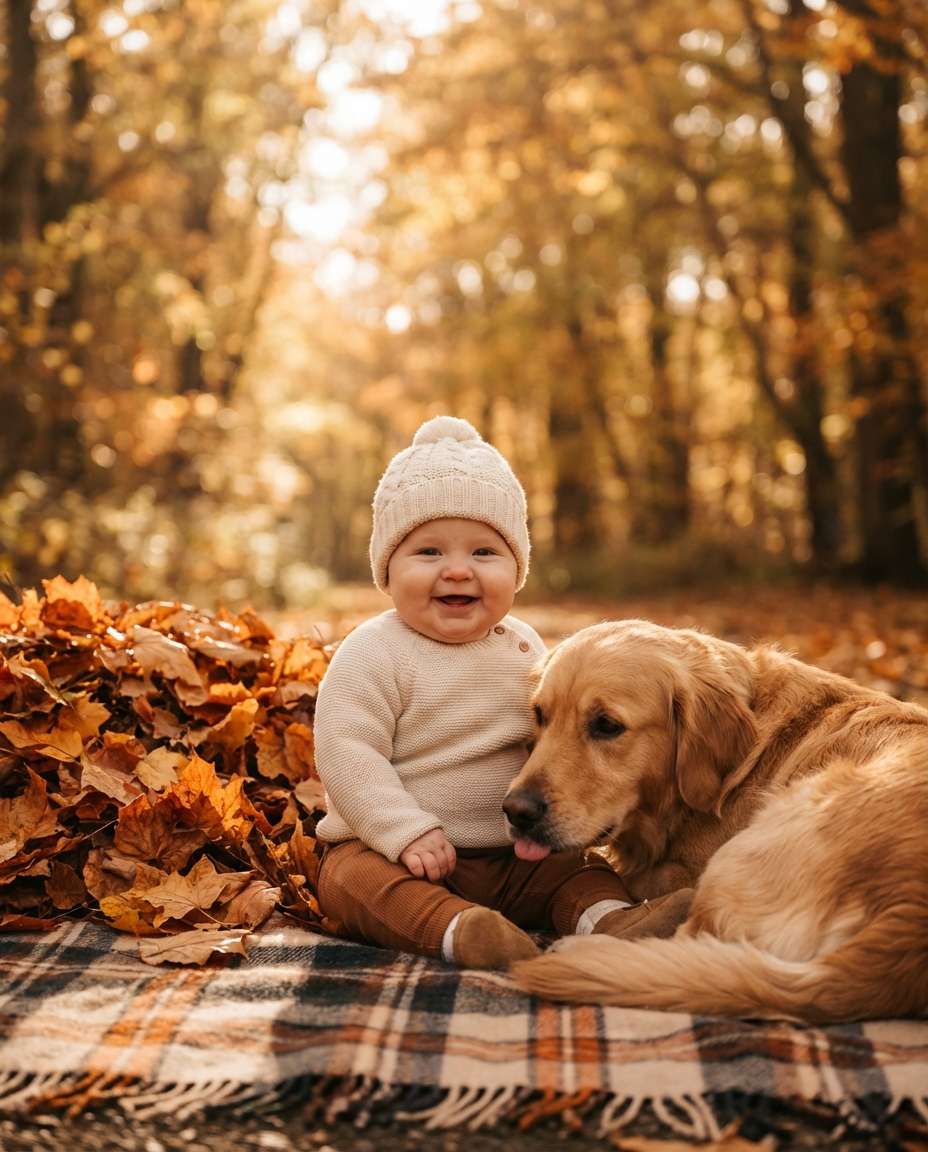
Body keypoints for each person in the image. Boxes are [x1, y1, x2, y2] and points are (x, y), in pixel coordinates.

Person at [313, 416, 690, 968]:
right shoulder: (373, 652)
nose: (459, 571)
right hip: (395, 851)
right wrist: (404, 832)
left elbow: (552, 744)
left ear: (517, 569)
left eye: (485, 553)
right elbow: (346, 751)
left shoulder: (527, 651)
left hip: (516, 855)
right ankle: (458, 930)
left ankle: (611, 921)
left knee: (579, 872)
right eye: (429, 552)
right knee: (352, 882)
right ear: (386, 569)